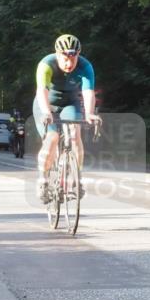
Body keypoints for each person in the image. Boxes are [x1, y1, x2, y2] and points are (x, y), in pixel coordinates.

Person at [34, 34, 100, 202]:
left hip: (70, 103)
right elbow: (42, 91)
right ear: (57, 54)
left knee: (74, 133)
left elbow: (88, 92)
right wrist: (47, 112)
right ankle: (43, 181)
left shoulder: (86, 67)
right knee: (52, 137)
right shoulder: (46, 64)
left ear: (78, 54)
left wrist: (90, 113)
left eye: (73, 57)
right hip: (47, 103)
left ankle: (76, 179)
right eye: (65, 57)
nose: (69, 63)